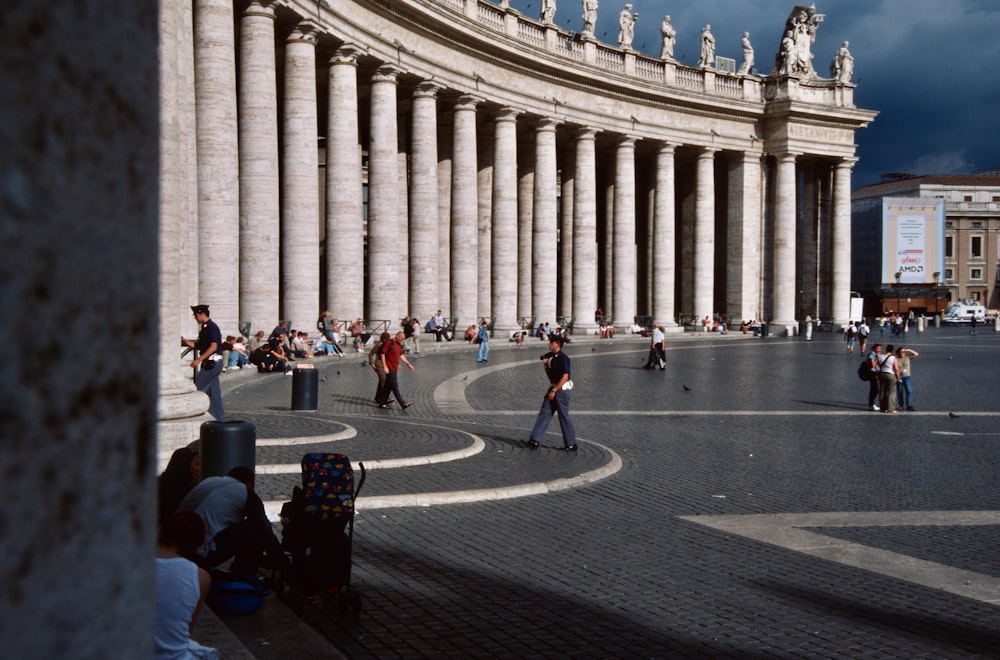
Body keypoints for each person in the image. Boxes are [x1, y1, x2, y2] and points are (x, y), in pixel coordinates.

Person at [177, 466, 285, 578]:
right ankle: (247, 576)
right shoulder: (244, 491)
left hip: (177, 547)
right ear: (249, 484)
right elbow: (263, 527)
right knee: (257, 527)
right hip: (201, 553)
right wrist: (280, 559)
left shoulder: (209, 481)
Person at [155, 510, 218, 660]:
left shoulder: (127, 564)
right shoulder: (200, 577)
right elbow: (186, 630)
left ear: (160, 531)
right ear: (196, 546)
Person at [526, 338, 577, 451]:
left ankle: (571, 443)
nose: (549, 344)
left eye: (551, 342)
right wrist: (545, 365)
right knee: (545, 413)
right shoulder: (553, 359)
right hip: (554, 387)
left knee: (563, 416)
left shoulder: (564, 358)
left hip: (561, 390)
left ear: (557, 344)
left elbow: (565, 377)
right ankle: (534, 440)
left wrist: (554, 390)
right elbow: (551, 377)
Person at [181, 304, 224, 421]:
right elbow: (199, 346)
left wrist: (198, 360)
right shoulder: (205, 328)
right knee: (214, 394)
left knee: (198, 388)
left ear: (201, 314)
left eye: (195, 315)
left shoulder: (211, 327)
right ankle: (218, 419)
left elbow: (213, 346)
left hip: (212, 363)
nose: (195, 318)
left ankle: (191, 417)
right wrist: (185, 341)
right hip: (213, 363)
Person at [158, 443, 201, 525]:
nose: (200, 468)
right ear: (184, 466)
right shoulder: (177, 491)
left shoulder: (160, 482)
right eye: (197, 464)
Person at [377, 330, 415, 410]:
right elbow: (382, 354)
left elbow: (401, 355)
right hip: (389, 368)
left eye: (403, 339)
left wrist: (408, 364)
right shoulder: (389, 343)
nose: (402, 340)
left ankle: (382, 402)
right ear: (397, 336)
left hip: (394, 368)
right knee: (394, 385)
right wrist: (385, 366)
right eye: (401, 338)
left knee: (388, 386)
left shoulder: (398, 345)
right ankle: (402, 403)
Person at [877, 343, 900, 413]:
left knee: (882, 391)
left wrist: (877, 375)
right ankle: (891, 408)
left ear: (886, 349)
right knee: (891, 392)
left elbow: (877, 366)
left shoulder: (881, 356)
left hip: (881, 374)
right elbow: (896, 369)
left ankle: (882, 407)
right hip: (890, 375)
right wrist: (898, 378)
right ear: (892, 350)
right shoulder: (893, 358)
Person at [896, 346, 919, 411]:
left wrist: (908, 350)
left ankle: (909, 405)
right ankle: (901, 405)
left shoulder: (907, 358)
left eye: (904, 352)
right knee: (900, 392)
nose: (903, 353)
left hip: (907, 376)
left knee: (909, 391)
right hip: (899, 376)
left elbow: (916, 354)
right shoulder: (896, 359)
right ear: (898, 352)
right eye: (901, 352)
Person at [369, 332, 390, 405]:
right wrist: (371, 363)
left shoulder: (387, 345)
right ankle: (384, 397)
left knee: (381, 381)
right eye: (386, 338)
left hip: (386, 365)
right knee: (383, 380)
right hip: (378, 365)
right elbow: (371, 353)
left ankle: (378, 397)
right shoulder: (379, 345)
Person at [865, 343, 881, 411]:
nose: (879, 350)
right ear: (874, 348)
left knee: (875, 389)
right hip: (872, 373)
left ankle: (872, 404)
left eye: (880, 348)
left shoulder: (876, 354)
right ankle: (871, 404)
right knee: (874, 390)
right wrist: (877, 358)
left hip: (876, 373)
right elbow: (873, 365)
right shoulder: (871, 355)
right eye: (878, 348)